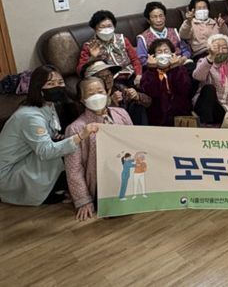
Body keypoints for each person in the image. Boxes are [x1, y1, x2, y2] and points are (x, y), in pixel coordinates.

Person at [0, 66, 97, 206]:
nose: (57, 87)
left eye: (60, 82)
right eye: (50, 84)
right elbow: (46, 151)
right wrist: (80, 136)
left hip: (27, 157)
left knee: (68, 145)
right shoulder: (30, 117)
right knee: (71, 148)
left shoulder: (48, 105)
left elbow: (52, 133)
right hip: (8, 175)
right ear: (39, 88)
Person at [64, 76, 133, 221]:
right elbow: (73, 168)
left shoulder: (121, 114)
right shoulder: (75, 128)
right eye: (90, 94)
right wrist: (83, 201)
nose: (96, 96)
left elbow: (133, 143)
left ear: (107, 92)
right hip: (100, 183)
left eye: (100, 91)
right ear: (82, 99)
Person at [77, 10, 142, 85]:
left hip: (131, 74)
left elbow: (135, 59)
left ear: (114, 26)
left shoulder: (123, 39)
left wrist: (138, 75)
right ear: (95, 29)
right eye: (102, 27)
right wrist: (92, 58)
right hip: (110, 81)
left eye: (109, 26)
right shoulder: (89, 46)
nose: (106, 30)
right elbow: (80, 71)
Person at [192, 34, 228, 125]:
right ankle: (206, 125)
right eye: (217, 47)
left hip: (227, 107)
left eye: (224, 47)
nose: (220, 50)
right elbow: (197, 76)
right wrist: (211, 57)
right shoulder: (204, 61)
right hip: (207, 104)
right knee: (209, 89)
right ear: (209, 49)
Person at [140, 39, 193, 126]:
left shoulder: (180, 70)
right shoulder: (148, 73)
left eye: (166, 51)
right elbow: (152, 92)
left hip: (180, 117)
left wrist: (175, 68)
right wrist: (152, 70)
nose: (163, 54)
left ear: (172, 54)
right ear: (153, 56)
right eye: (159, 52)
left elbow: (184, 89)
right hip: (157, 119)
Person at [81, 60, 151, 126]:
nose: (107, 78)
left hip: (125, 125)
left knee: (137, 106)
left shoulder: (118, 88)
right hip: (98, 127)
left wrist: (137, 96)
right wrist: (111, 102)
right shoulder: (88, 95)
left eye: (109, 74)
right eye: (102, 76)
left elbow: (148, 101)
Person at [136, 1, 191, 68]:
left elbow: (186, 50)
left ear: (165, 17)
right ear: (148, 20)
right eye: (154, 17)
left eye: (161, 16)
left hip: (179, 65)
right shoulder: (142, 38)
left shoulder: (174, 31)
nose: (159, 20)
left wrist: (182, 59)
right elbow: (141, 59)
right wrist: (154, 64)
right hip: (157, 69)